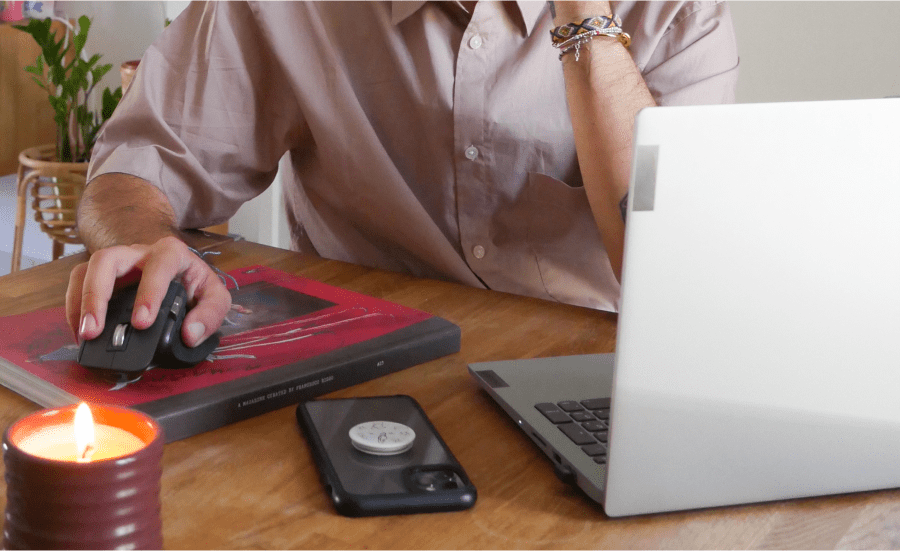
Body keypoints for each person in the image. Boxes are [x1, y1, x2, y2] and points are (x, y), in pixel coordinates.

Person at [66, 0, 739, 348]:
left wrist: (585, 22)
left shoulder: (673, 12)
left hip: (592, 391)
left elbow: (673, 278)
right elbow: (134, 167)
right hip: (355, 385)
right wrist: (148, 243)